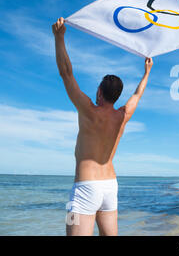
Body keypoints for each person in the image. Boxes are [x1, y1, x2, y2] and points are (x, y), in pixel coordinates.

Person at [52, 17, 153, 236]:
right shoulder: (122, 116)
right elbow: (137, 94)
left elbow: (66, 73)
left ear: (99, 92)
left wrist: (59, 38)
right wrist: (146, 73)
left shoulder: (88, 110)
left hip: (83, 190)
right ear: (116, 96)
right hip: (110, 187)